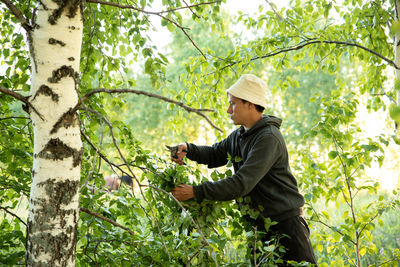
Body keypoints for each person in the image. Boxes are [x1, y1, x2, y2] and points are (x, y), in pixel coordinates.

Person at [170, 74, 317, 265]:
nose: (228, 110)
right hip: (259, 228)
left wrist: (195, 192)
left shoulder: (269, 138)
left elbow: (241, 183)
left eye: (233, 104)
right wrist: (188, 149)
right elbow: (215, 153)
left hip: (287, 228)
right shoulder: (240, 135)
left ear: (250, 104)